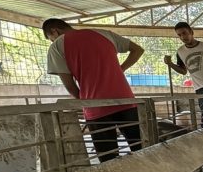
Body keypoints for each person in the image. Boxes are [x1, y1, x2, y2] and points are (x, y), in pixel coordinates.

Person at [43, 18, 145, 162]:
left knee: (108, 159)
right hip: (126, 101)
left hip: (95, 106)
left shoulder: (57, 46)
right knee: (142, 148)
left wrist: (84, 100)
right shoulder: (104, 34)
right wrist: (120, 69)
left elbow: (69, 84)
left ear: (54, 31)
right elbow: (138, 50)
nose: (52, 41)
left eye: (51, 38)